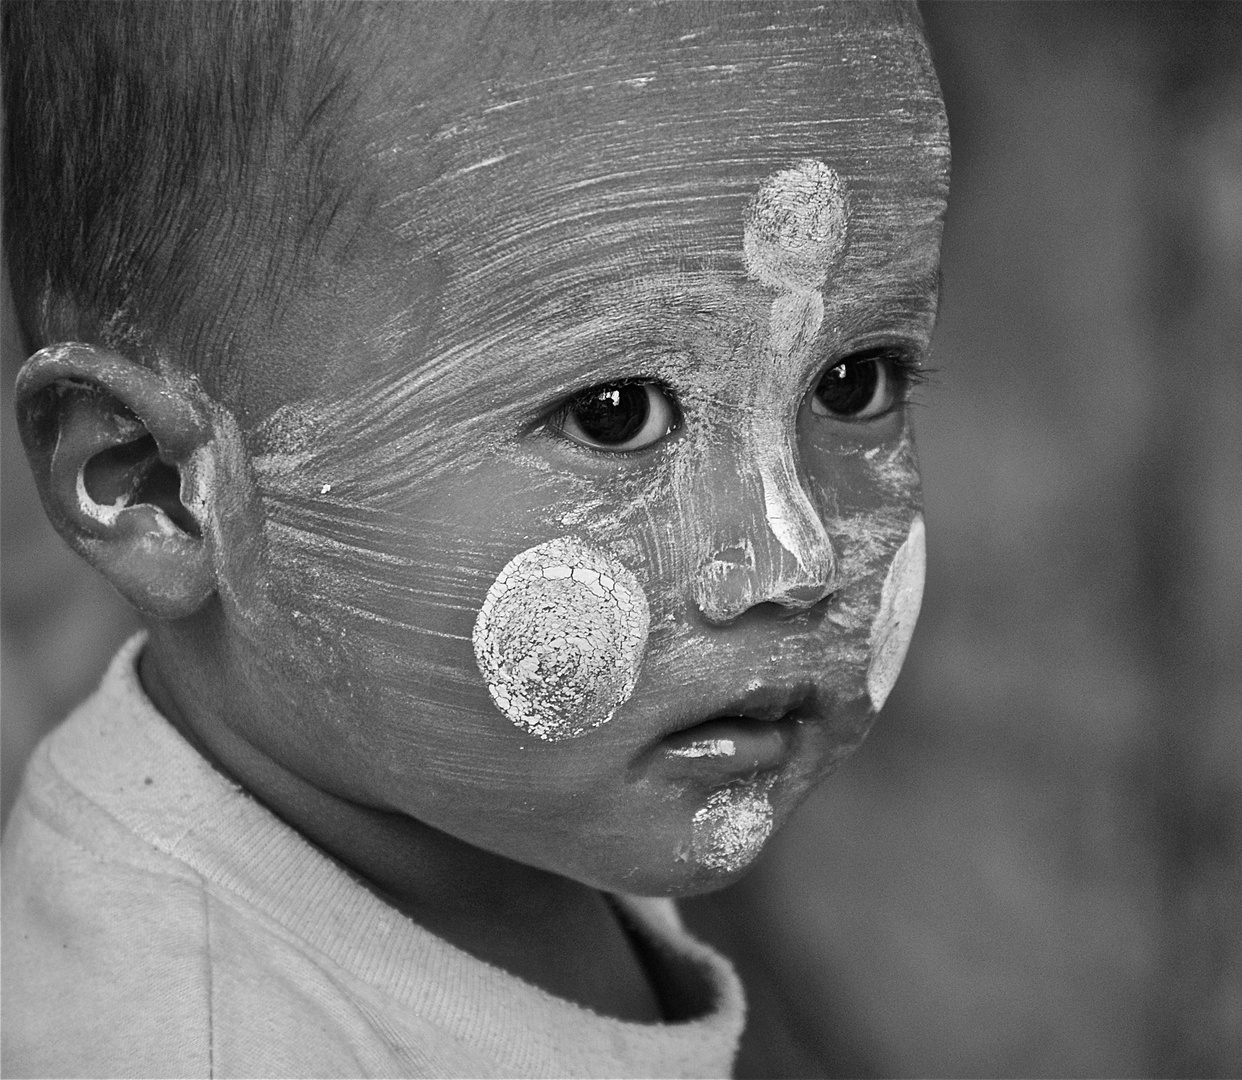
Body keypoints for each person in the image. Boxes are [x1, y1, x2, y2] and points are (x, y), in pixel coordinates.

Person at [0, 1, 947, 1075]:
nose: (796, 556)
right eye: (614, 414)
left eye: (851, 381)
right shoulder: (188, 1045)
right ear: (161, 490)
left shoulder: (498, 828)